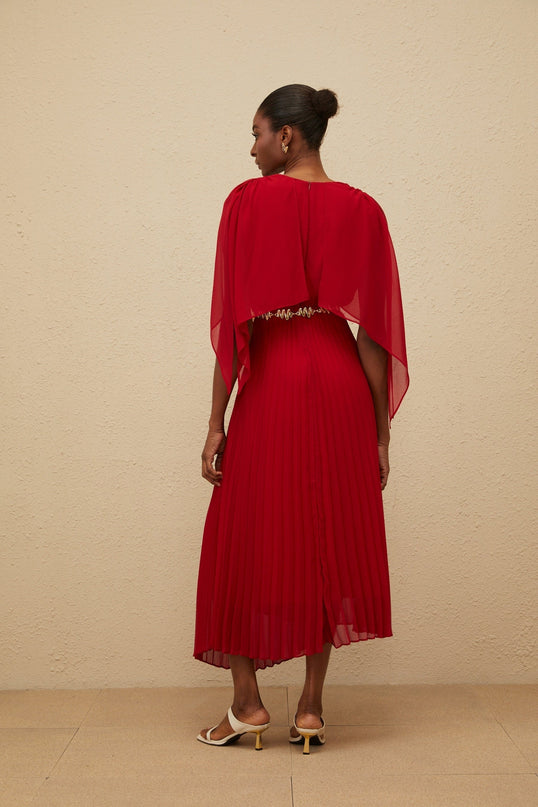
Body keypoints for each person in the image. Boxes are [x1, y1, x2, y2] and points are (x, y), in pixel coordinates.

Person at [193, 84, 409, 753]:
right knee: (326, 536)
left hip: (277, 376)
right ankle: (310, 711)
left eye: (257, 132)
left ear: (288, 137)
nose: (251, 146)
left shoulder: (248, 201)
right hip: (340, 379)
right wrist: (380, 430)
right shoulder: (363, 209)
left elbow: (235, 328)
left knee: (243, 529)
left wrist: (215, 420)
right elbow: (372, 338)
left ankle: (247, 703)